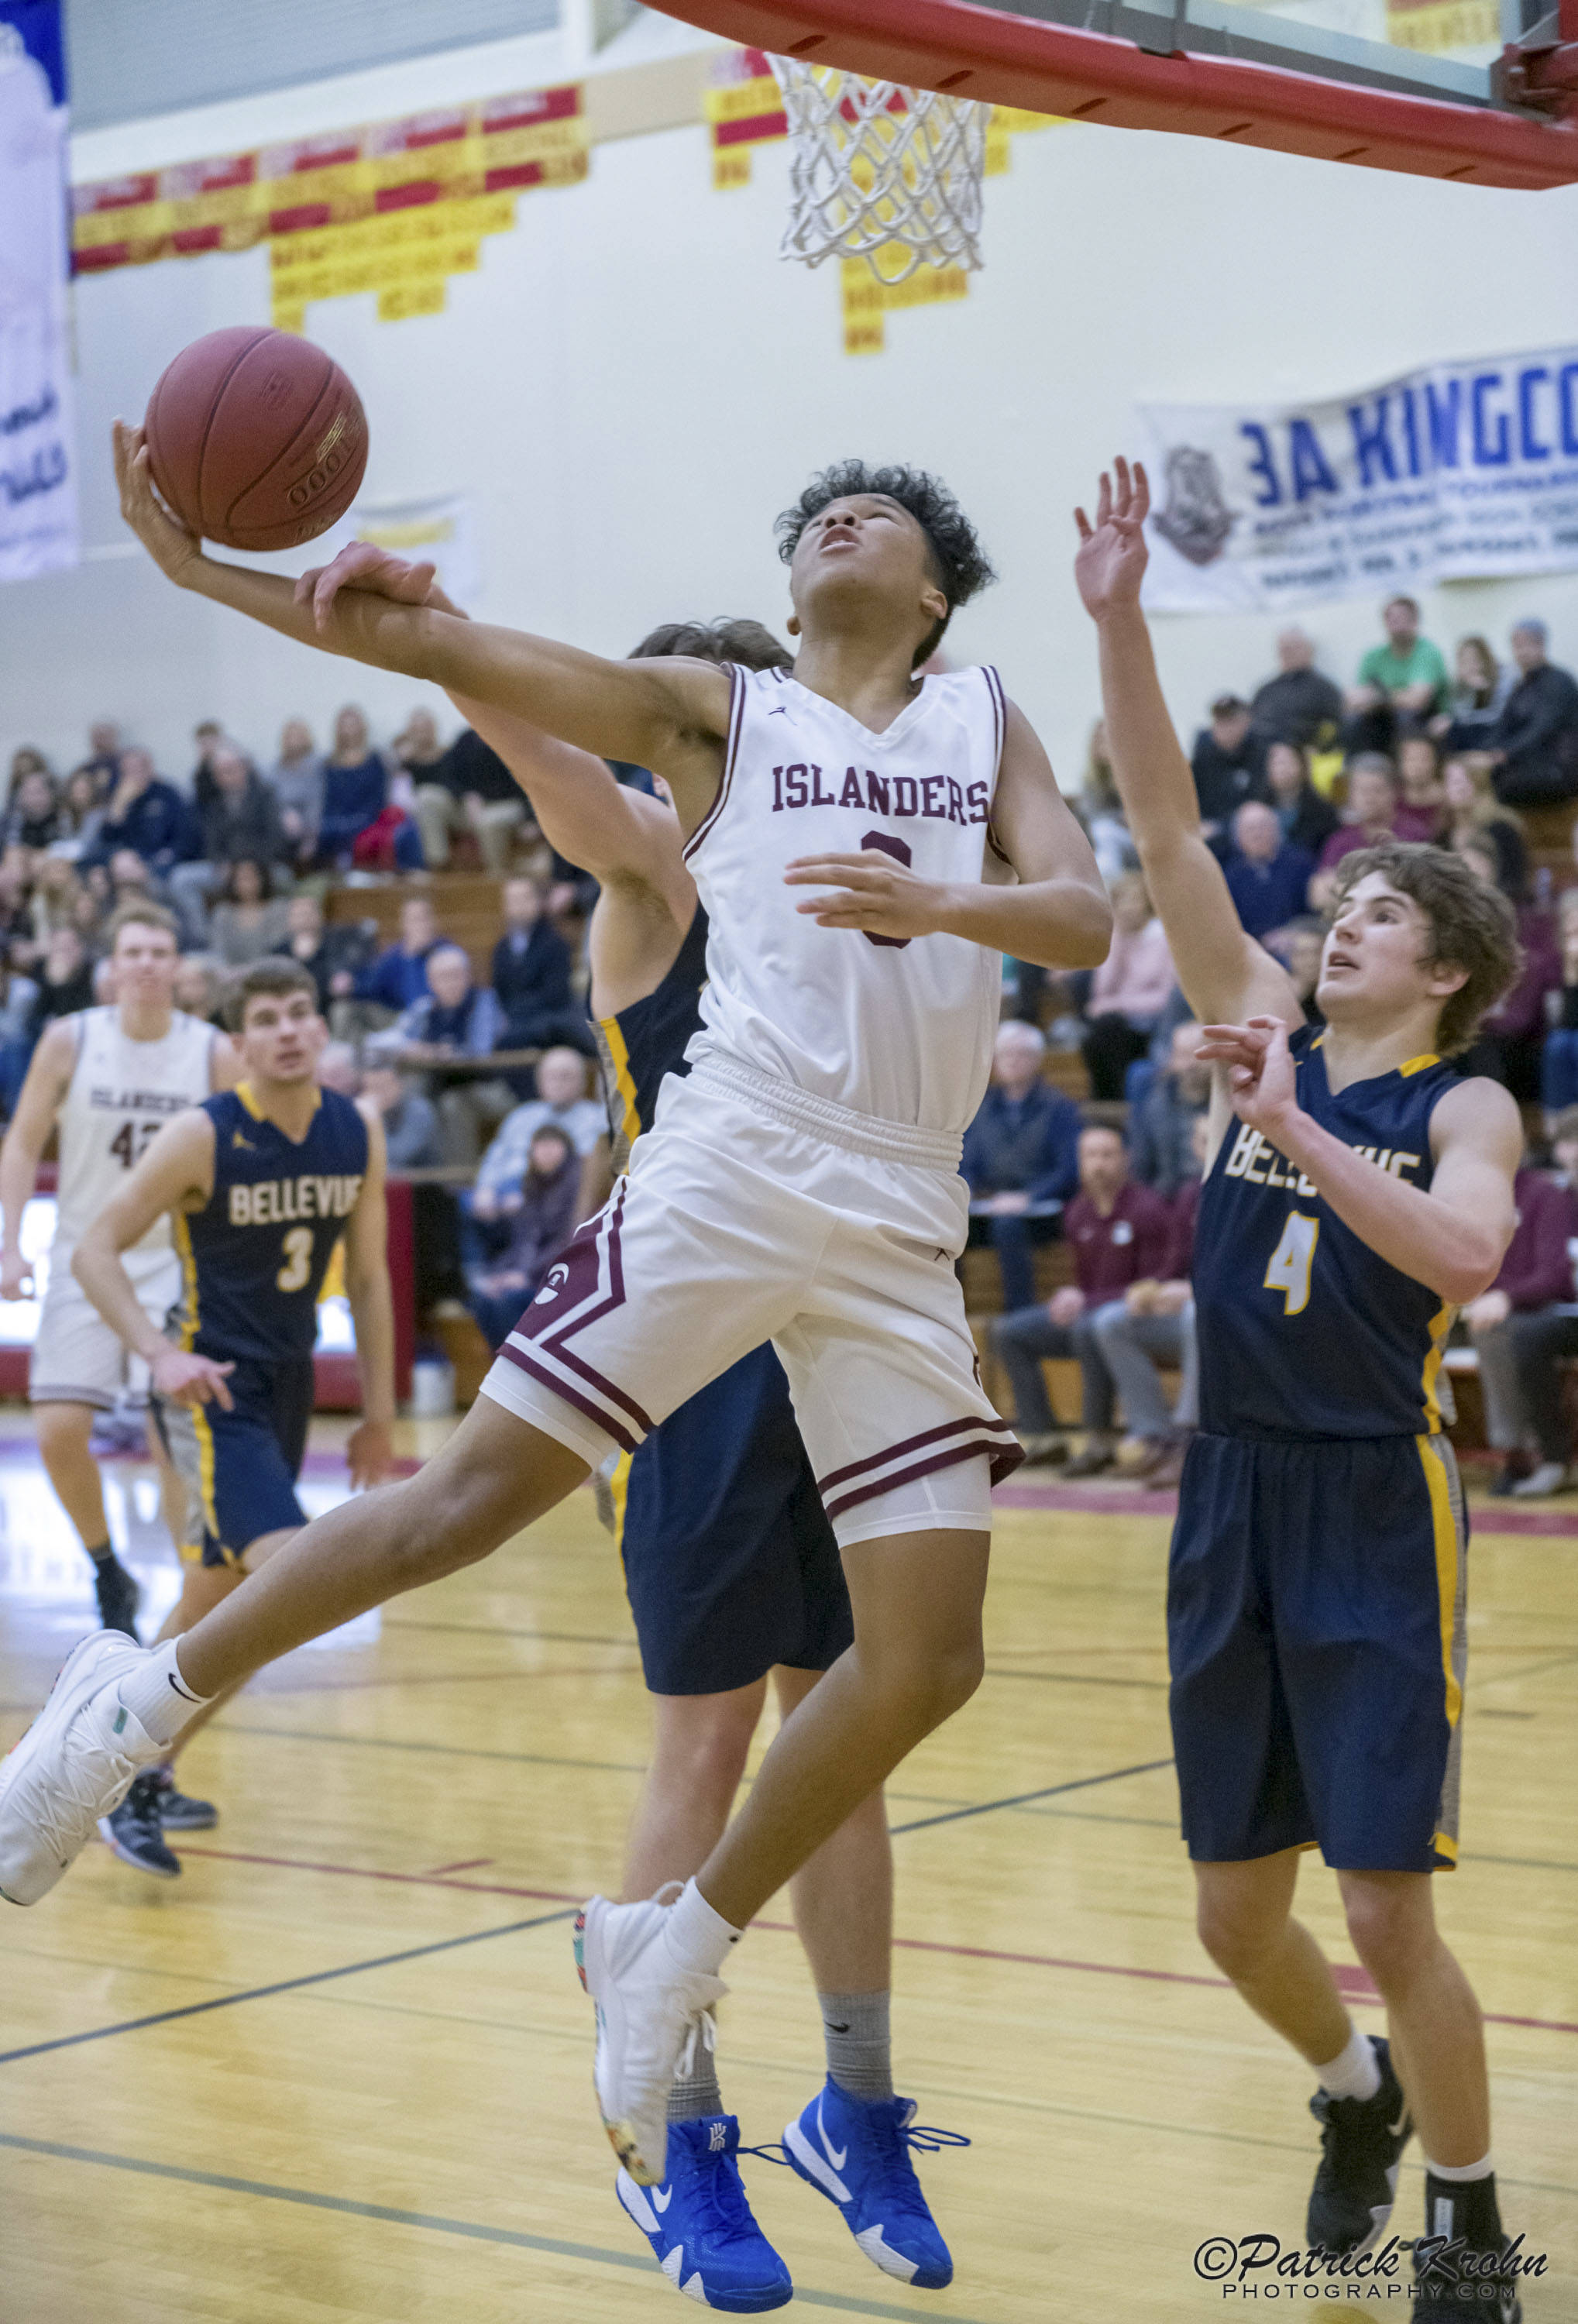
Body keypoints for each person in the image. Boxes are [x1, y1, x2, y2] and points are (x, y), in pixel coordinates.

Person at [0, 438, 1112, 2250]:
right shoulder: (716, 713)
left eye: (883, 512)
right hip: (737, 1163)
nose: (842, 513)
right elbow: (452, 659)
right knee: (461, 1508)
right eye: (817, 504)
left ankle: (667, 1947)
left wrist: (948, 903)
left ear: (932, 591)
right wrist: (204, 580)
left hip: (905, 1211)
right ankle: (115, 1724)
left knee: (928, 1659)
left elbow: (1083, 913)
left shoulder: (984, 723)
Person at [428, 604, 965, 2302]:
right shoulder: (654, 879)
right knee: (701, 1742)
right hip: (691, 1372)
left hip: (844, 1334)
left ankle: (856, 2103)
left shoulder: (828, 890)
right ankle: (678, 2146)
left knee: (847, 1736)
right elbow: (587, 799)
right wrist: (440, 646)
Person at [1075, 457, 1527, 2312]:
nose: (1343, 928)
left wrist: (1289, 1127)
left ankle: (1476, 2214)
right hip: (1228, 1484)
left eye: (1382, 919)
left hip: (1371, 1493)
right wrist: (1116, 614)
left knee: (1383, 1905)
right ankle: (1355, 2098)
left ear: (1450, 972)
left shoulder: (1461, 1103)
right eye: (1338, 909)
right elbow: (1174, 834)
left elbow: (1470, 1257)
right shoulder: (1255, 1016)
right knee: (1231, 1910)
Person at [70, 958, 396, 1879]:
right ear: (240, 1043)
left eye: (302, 1012)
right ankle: (115, 1761)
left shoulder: (353, 1129)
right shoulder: (200, 1136)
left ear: (321, 1030)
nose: (289, 1029)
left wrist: (376, 1414)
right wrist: (159, 1353)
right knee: (287, 1574)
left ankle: (133, 1766)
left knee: (218, 1601)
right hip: (213, 1390)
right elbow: (94, 1249)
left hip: (290, 1384)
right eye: (267, 1018)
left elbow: (369, 1281)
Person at [0, 904, 235, 1658]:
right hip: (84, 1256)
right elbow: (22, 1141)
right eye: (132, 951)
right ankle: (108, 1568)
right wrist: (8, 1246)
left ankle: (188, 1604)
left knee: (175, 1439)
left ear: (177, 967)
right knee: (59, 1428)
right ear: (112, 966)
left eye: (159, 952)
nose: (145, 964)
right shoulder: (71, 1039)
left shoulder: (211, 1052)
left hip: (177, 1263)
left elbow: (238, 1161)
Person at [988, 1120, 1170, 1471]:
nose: (1098, 1164)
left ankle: (1098, 1439)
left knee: (1088, 1327)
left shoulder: (1148, 1209)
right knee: (1010, 1331)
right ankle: (1045, 1437)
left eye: (1107, 1155)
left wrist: (1086, 1301)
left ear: (1126, 1159)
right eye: (1090, 1155)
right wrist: (1074, 1296)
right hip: (1091, 1313)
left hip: (1133, 1321)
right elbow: (1088, 1285)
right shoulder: (1078, 1211)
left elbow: (1151, 1285)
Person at [1090, 1109, 1207, 1487]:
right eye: (1205, 1141)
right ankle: (1152, 1434)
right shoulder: (1190, 1194)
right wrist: (1152, 1290)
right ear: (1195, 1147)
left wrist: (1195, 1290)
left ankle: (1189, 1437)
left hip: (1228, 1316)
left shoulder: (1251, 1191)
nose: (1212, 1148)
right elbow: (1173, 1262)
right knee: (1113, 1321)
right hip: (1186, 1312)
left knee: (1195, 1315)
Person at [1460, 1128, 1578, 1496]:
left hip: (1536, 1311)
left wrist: (1504, 1297)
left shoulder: (1543, 1193)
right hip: (1476, 1302)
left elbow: (1556, 1276)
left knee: (1502, 1330)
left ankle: (1523, 1454)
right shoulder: (1464, 1194)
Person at [961, 1019, 1080, 1309]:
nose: (1012, 1061)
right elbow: (966, 1162)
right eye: (1005, 1054)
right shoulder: (980, 1107)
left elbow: (1068, 1170)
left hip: (1041, 1211)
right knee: (948, 1221)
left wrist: (1028, 1197)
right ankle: (950, 1314)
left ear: (1038, 1060)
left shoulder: (1059, 1108)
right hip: (988, 1205)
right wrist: (968, 1192)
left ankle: (1018, 1314)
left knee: (1008, 1226)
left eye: (1021, 1054)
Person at [376, 941, 512, 1167]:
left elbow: (480, 1053)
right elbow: (388, 1040)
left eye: (456, 975)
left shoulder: (484, 1002)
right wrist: (413, 1050)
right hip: (438, 1084)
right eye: (443, 977)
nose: (450, 983)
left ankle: (459, 1184)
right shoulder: (425, 1009)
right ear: (430, 982)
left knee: (451, 1104)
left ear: (468, 976)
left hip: (487, 1086)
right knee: (408, 1094)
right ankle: (403, 1171)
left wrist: (435, 1053)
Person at [1503, 1105, 1578, 1497]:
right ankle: (1553, 1459)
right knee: (1530, 1336)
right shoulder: (1550, 1197)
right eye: (1569, 1142)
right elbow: (1545, 1273)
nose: (1576, 1152)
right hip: (1566, 1315)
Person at [466, 1122, 580, 1349]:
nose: (546, 1152)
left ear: (566, 1150)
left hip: (557, 1278)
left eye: (552, 1145)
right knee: (483, 1300)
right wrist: (498, 1274)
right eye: (541, 1146)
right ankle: (502, 1365)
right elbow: (522, 1242)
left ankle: (520, 1366)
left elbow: (566, 1242)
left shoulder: (575, 1187)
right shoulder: (531, 1185)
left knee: (507, 1303)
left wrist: (525, 1276)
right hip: (528, 1273)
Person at [473, 1045, 608, 1219]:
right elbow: (495, 1158)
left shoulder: (597, 1119)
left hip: (557, 1194)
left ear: (582, 1081)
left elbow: (586, 1171)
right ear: (539, 1081)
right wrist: (486, 1188)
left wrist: (528, 1195)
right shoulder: (521, 1116)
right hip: (506, 1190)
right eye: (551, 1077)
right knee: (464, 1204)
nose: (558, 1083)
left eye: (565, 1076)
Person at [1080, 869, 1175, 1097]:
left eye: (1134, 900)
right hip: (1120, 1023)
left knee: (1108, 1028)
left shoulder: (1163, 939)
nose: (1127, 907)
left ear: (1147, 903)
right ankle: (1106, 1103)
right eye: (1121, 901)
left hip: (1153, 1024)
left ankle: (1118, 1101)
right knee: (1096, 1037)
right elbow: (1102, 990)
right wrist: (1118, 940)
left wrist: (1118, 1004)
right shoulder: (1117, 938)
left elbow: (1167, 997)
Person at [1484, 617, 1578, 807]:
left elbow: (1542, 728)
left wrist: (1506, 753)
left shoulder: (1559, 681)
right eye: (1516, 645)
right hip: (1528, 761)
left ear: (1542, 645)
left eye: (1528, 643)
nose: (1522, 651)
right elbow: (1504, 724)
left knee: (1500, 783)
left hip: (1557, 767)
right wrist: (1489, 750)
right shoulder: (1522, 685)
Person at [491, 875, 590, 1053]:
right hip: (515, 1024)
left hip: (549, 1024)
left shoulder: (555, 944)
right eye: (513, 900)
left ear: (538, 902)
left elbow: (556, 995)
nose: (519, 906)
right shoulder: (502, 949)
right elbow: (501, 992)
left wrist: (517, 1013)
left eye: (525, 898)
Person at [411, 721, 528, 873]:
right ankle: (439, 865)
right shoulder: (465, 739)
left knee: (488, 821)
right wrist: (466, 795)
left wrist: (530, 819)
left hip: (504, 804)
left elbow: (528, 784)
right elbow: (448, 776)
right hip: (468, 806)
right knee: (426, 795)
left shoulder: (513, 740)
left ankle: (496, 876)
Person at [1343, 595, 1449, 755]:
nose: (1396, 623)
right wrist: (1388, 698)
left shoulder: (1427, 652)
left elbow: (1417, 701)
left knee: (1405, 716)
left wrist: (1379, 697)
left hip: (1426, 718)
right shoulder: (1373, 656)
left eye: (1402, 618)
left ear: (1415, 621)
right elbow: (1355, 700)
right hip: (1381, 717)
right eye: (1391, 618)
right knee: (1353, 721)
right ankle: (1362, 772)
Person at [1130, 1018, 1210, 1196]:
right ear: (1171, 1059)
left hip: (1213, 1193)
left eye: (1198, 1055)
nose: (1191, 1065)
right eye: (1183, 1056)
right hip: (1167, 1199)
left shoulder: (1229, 1104)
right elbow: (1143, 1166)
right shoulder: (1155, 1103)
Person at [87, 746, 195, 877]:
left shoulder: (167, 794)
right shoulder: (120, 798)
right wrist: (118, 807)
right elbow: (108, 840)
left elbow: (184, 833)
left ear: (149, 769)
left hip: (159, 859)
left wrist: (171, 853)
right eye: (126, 772)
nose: (131, 777)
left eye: (136, 770)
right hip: (126, 860)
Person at [1222, 800, 1314, 941]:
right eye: (1250, 829)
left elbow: (1312, 912)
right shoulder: (1230, 877)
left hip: (1297, 943)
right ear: (1238, 837)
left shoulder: (1301, 863)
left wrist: (1292, 933)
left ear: (1277, 830)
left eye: (1263, 827)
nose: (1257, 835)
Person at [1438, 756, 1526, 902]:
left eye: (1463, 781)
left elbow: (1514, 884)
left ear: (1481, 785)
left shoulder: (1502, 830)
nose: (1458, 789)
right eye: (1451, 782)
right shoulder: (1442, 834)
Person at [316, 706, 393, 866]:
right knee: (322, 831)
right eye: (345, 726)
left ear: (362, 728)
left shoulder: (375, 760)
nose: (349, 730)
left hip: (368, 817)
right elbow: (326, 799)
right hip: (334, 820)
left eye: (353, 725)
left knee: (361, 831)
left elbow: (378, 798)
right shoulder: (328, 764)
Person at [1249, 629, 1344, 755]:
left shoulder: (1325, 690)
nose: (1289, 654)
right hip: (1268, 758)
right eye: (1284, 649)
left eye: (1295, 648)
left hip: (1308, 757)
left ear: (1309, 650)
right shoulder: (1265, 691)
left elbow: (1335, 727)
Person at [1188, 693, 1260, 837]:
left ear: (1246, 722)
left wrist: (1221, 827)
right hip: (1206, 830)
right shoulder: (1202, 758)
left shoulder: (1260, 754)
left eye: (1231, 720)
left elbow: (1262, 802)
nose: (1225, 727)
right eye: (1219, 721)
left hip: (1246, 831)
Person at [1317, 755, 1402, 874]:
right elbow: (1324, 882)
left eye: (1377, 790)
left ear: (1394, 792)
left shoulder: (1414, 836)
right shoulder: (1339, 842)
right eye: (1363, 791)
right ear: (1350, 795)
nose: (1369, 798)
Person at [1428, 635, 1511, 758]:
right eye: (1464, 661)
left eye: (1475, 660)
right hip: (1467, 737)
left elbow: (1497, 717)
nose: (1471, 666)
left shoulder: (1503, 679)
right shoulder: (1458, 686)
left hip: (1493, 735)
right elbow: (1457, 715)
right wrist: (1468, 691)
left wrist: (1480, 693)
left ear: (1486, 660)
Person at [358, 892, 438, 1016]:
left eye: (424, 918)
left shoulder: (446, 952)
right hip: (395, 1015)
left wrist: (414, 957)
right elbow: (372, 986)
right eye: (414, 919)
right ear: (404, 924)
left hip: (433, 1015)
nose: (420, 925)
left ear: (432, 921)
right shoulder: (394, 955)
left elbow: (420, 1000)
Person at [207, 858, 294, 969]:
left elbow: (278, 949)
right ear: (232, 882)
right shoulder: (222, 913)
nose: (248, 884)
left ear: (263, 878)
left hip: (270, 975)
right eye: (242, 879)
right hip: (230, 976)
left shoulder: (278, 908)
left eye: (252, 877)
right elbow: (218, 951)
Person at [1258, 739, 1338, 858]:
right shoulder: (1258, 808)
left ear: (1303, 767)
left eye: (1289, 762)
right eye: (1277, 763)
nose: (1283, 769)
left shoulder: (1322, 811)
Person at [263, 717, 325, 868]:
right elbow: (269, 800)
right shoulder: (274, 769)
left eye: (298, 736)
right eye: (290, 736)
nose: (293, 741)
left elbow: (316, 802)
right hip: (279, 824)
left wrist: (310, 836)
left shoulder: (315, 767)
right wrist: (283, 813)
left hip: (308, 826)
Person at [359, 1060, 441, 1171]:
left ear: (399, 1086)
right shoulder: (361, 1111)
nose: (378, 1095)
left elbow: (399, 1155)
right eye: (372, 1088)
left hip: (421, 1182)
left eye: (383, 1087)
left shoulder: (420, 1110)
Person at [1394, 735, 1447, 843]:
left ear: (1435, 762)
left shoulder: (1448, 798)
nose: (1418, 766)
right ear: (1400, 763)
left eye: (1424, 759)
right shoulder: (1391, 797)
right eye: (1411, 759)